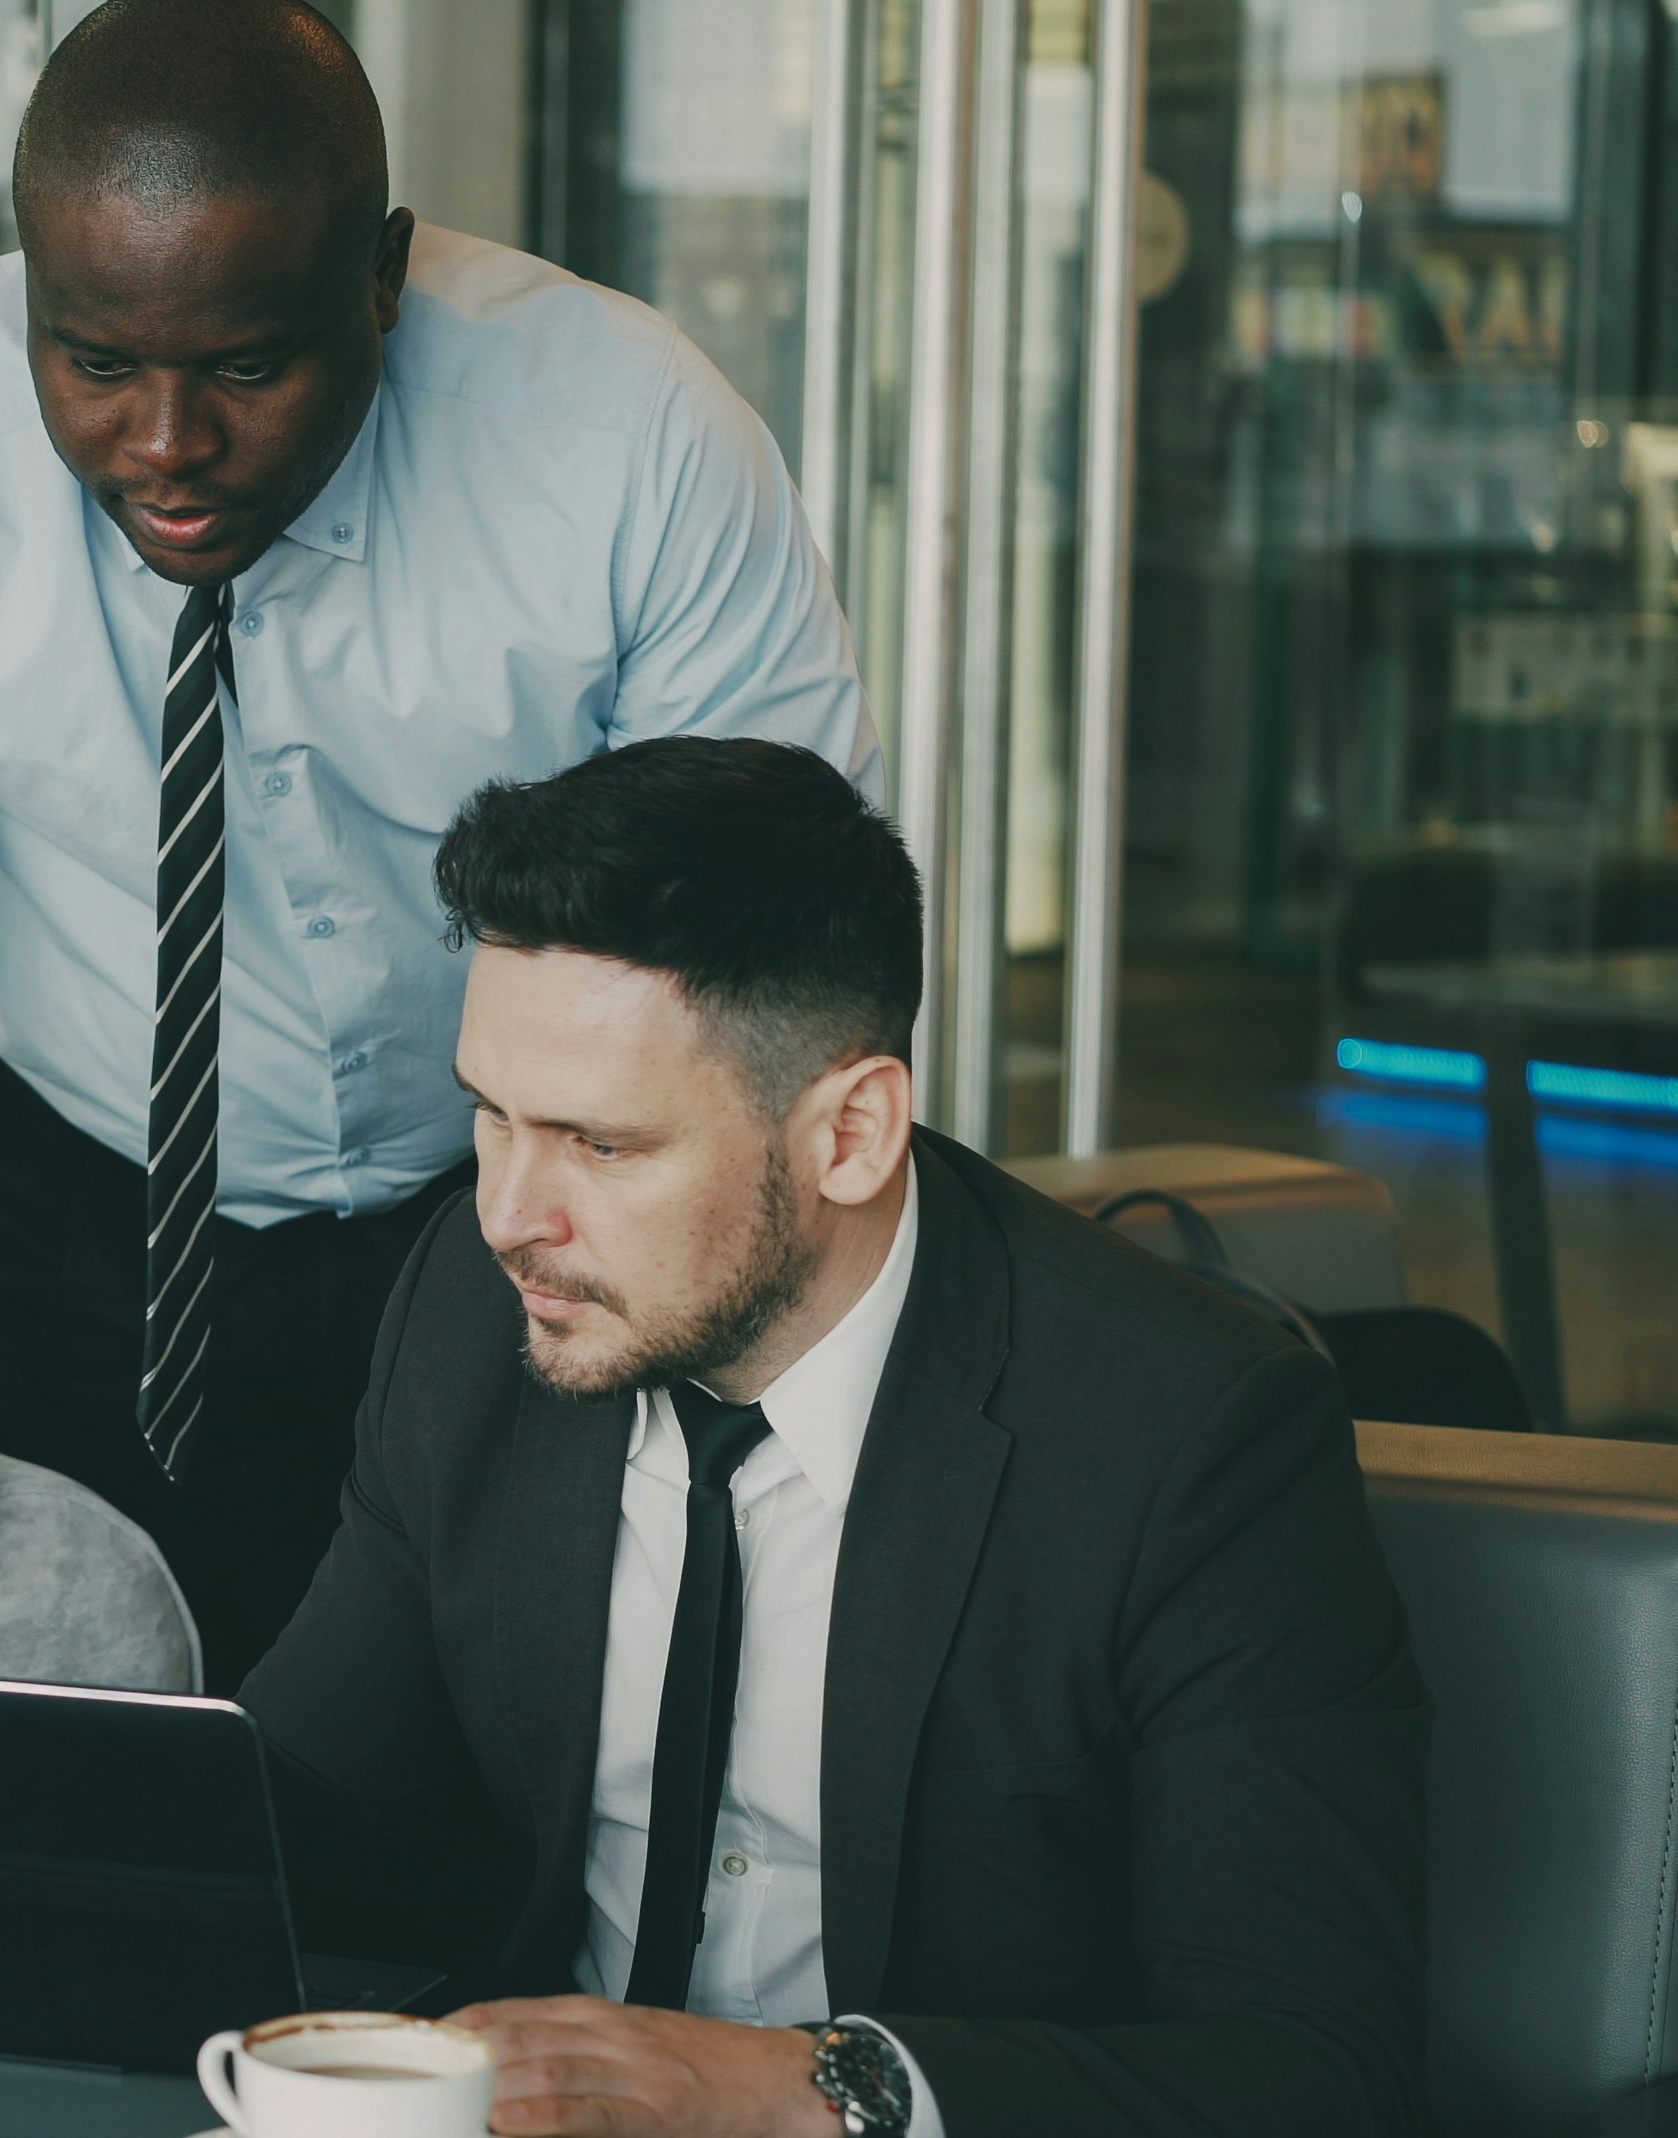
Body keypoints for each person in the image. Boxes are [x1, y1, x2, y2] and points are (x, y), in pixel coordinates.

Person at [0, 0, 871, 1688]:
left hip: (512, 1216)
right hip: (88, 1205)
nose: (166, 446)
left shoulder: (625, 439)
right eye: (96, 361)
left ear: (383, 276)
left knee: (501, 1751)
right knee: (105, 1759)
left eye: (247, 366)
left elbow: (776, 929)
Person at [243, 737, 1429, 2136]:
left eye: (600, 1145)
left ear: (852, 1131)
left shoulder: (1191, 1433)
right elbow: (296, 1805)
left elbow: (1311, 2066)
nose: (510, 1211)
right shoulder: (479, 1305)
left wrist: (801, 2089)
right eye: (491, 1116)